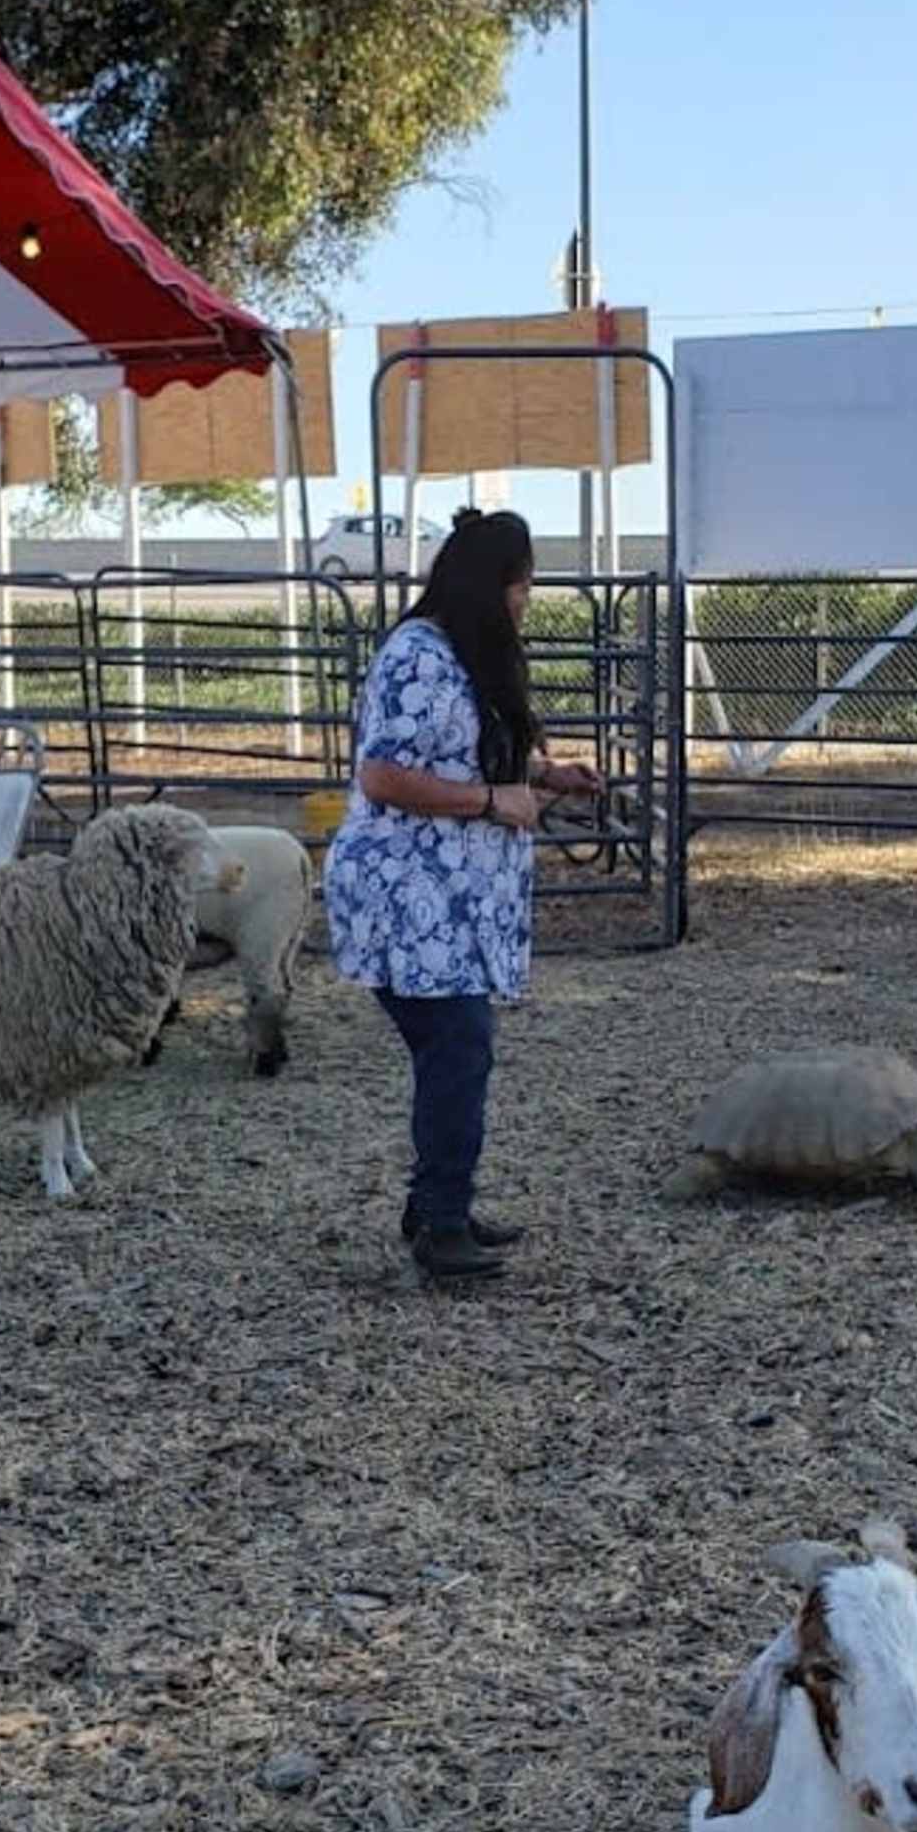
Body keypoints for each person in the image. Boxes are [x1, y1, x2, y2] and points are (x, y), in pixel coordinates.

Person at [322, 507, 604, 1281]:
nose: (526, 600)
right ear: (494, 584)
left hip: (450, 905)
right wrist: (491, 802)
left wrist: (546, 776)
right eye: (522, 584)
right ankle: (441, 1224)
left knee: (452, 1054)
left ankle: (436, 1204)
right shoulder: (416, 655)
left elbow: (465, 748)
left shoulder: (462, 654)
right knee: (459, 1049)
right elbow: (382, 774)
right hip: (409, 897)